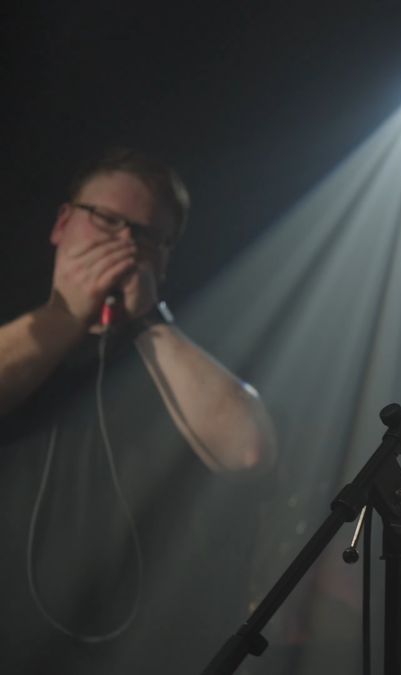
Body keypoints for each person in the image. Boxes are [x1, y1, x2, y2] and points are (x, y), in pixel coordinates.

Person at [0, 148, 278, 674]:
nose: (125, 242)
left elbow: (249, 448)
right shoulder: (19, 334)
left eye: (148, 236)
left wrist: (148, 320)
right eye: (107, 219)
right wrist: (68, 314)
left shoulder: (174, 358)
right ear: (63, 222)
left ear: (165, 259)